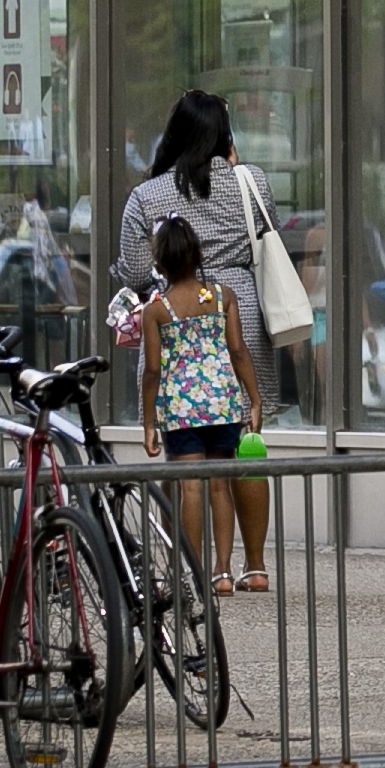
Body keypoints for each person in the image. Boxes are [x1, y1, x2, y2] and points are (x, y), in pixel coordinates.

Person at [114, 91, 283, 569]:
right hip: (239, 311)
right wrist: (236, 164)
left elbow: (131, 271)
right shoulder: (251, 182)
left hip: (176, 323)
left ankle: (186, 565)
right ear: (225, 137)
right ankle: (251, 565)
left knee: (183, 460)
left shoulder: (147, 195)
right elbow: (264, 231)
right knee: (245, 446)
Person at [138, 214, 266, 591]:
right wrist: (253, 399)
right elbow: (238, 350)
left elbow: (151, 370)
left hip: (181, 410)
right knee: (219, 487)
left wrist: (149, 421)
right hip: (223, 403)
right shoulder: (222, 296)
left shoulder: (156, 310)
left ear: (159, 264)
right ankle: (223, 572)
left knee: (190, 488)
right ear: (198, 255)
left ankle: (191, 572)